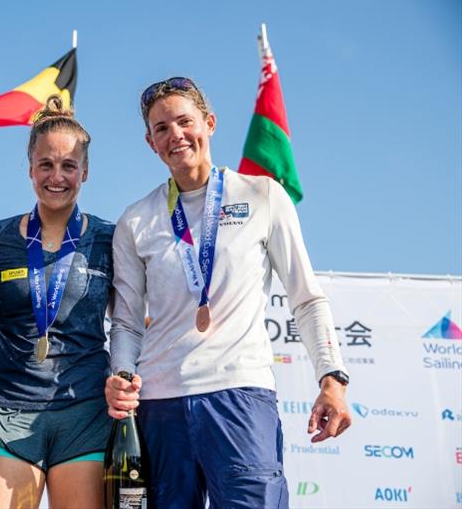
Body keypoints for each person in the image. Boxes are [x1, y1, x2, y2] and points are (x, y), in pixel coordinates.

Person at [105, 77, 352, 508]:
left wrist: (332, 379)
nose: (175, 135)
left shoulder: (263, 196)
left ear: (210, 124)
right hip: (160, 405)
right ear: (151, 142)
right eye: (161, 128)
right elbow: (126, 321)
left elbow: (306, 299)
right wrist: (123, 375)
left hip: (239, 395)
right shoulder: (135, 221)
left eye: (185, 121)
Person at [0, 96, 114, 509]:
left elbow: (129, 326)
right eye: (46, 164)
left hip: (84, 412)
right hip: (9, 410)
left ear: (85, 171)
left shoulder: (109, 238)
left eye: (69, 165)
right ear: (30, 167)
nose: (57, 176)